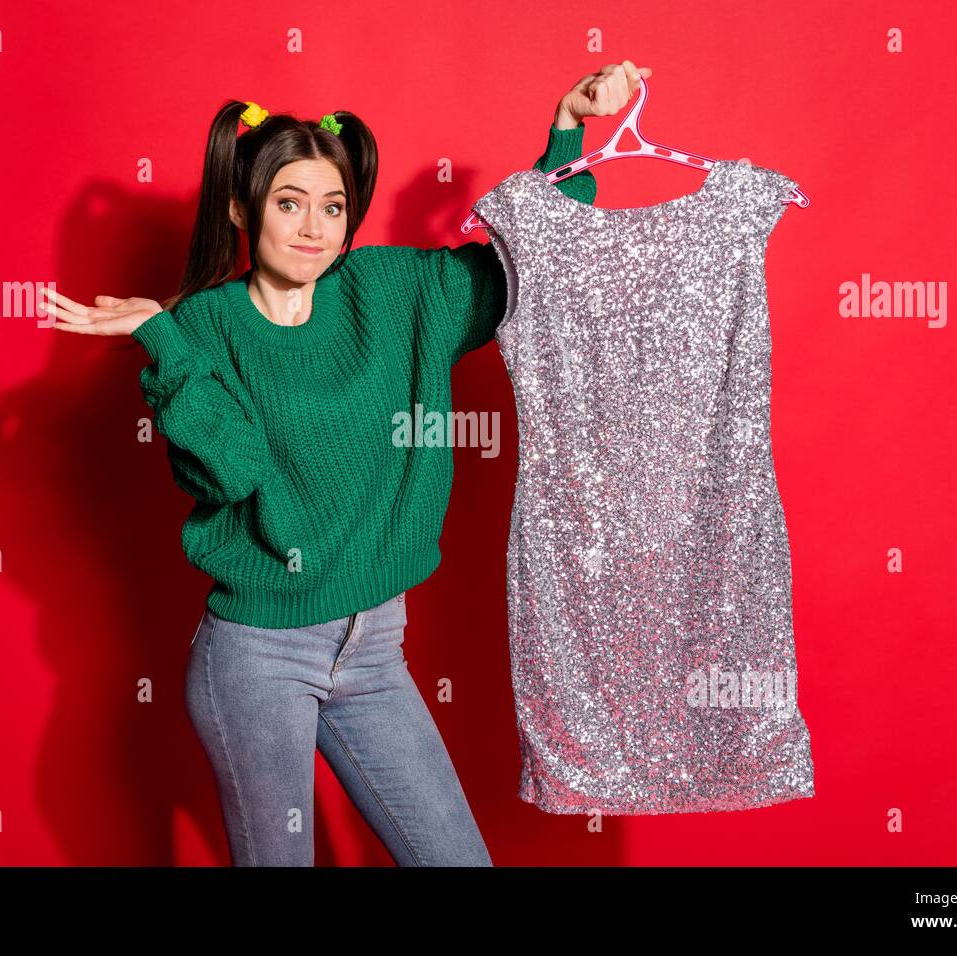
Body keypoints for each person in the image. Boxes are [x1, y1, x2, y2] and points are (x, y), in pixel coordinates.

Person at [43, 62, 653, 866]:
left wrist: (567, 129)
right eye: (289, 203)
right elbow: (229, 468)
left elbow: (533, 259)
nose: (313, 228)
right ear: (240, 206)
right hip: (258, 660)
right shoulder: (206, 328)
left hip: (373, 650)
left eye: (332, 206)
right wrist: (163, 336)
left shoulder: (393, 292)